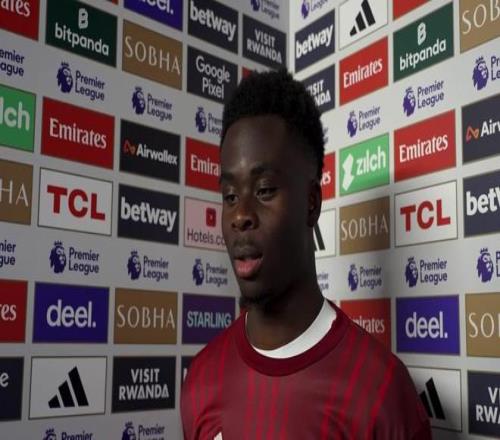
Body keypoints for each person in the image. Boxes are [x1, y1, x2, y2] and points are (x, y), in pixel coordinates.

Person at [181, 70, 431, 440]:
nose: (240, 215)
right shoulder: (201, 379)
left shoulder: (381, 391)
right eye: (230, 196)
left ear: (311, 203)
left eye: (264, 190)